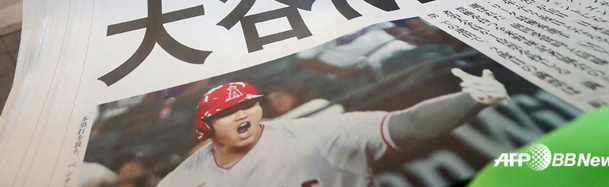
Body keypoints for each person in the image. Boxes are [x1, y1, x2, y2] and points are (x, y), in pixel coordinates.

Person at [158, 75, 508, 186]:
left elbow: (407, 126)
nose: (241, 115)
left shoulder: (314, 134)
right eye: (227, 113)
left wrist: (472, 99)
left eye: (246, 105)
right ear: (205, 129)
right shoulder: (182, 179)